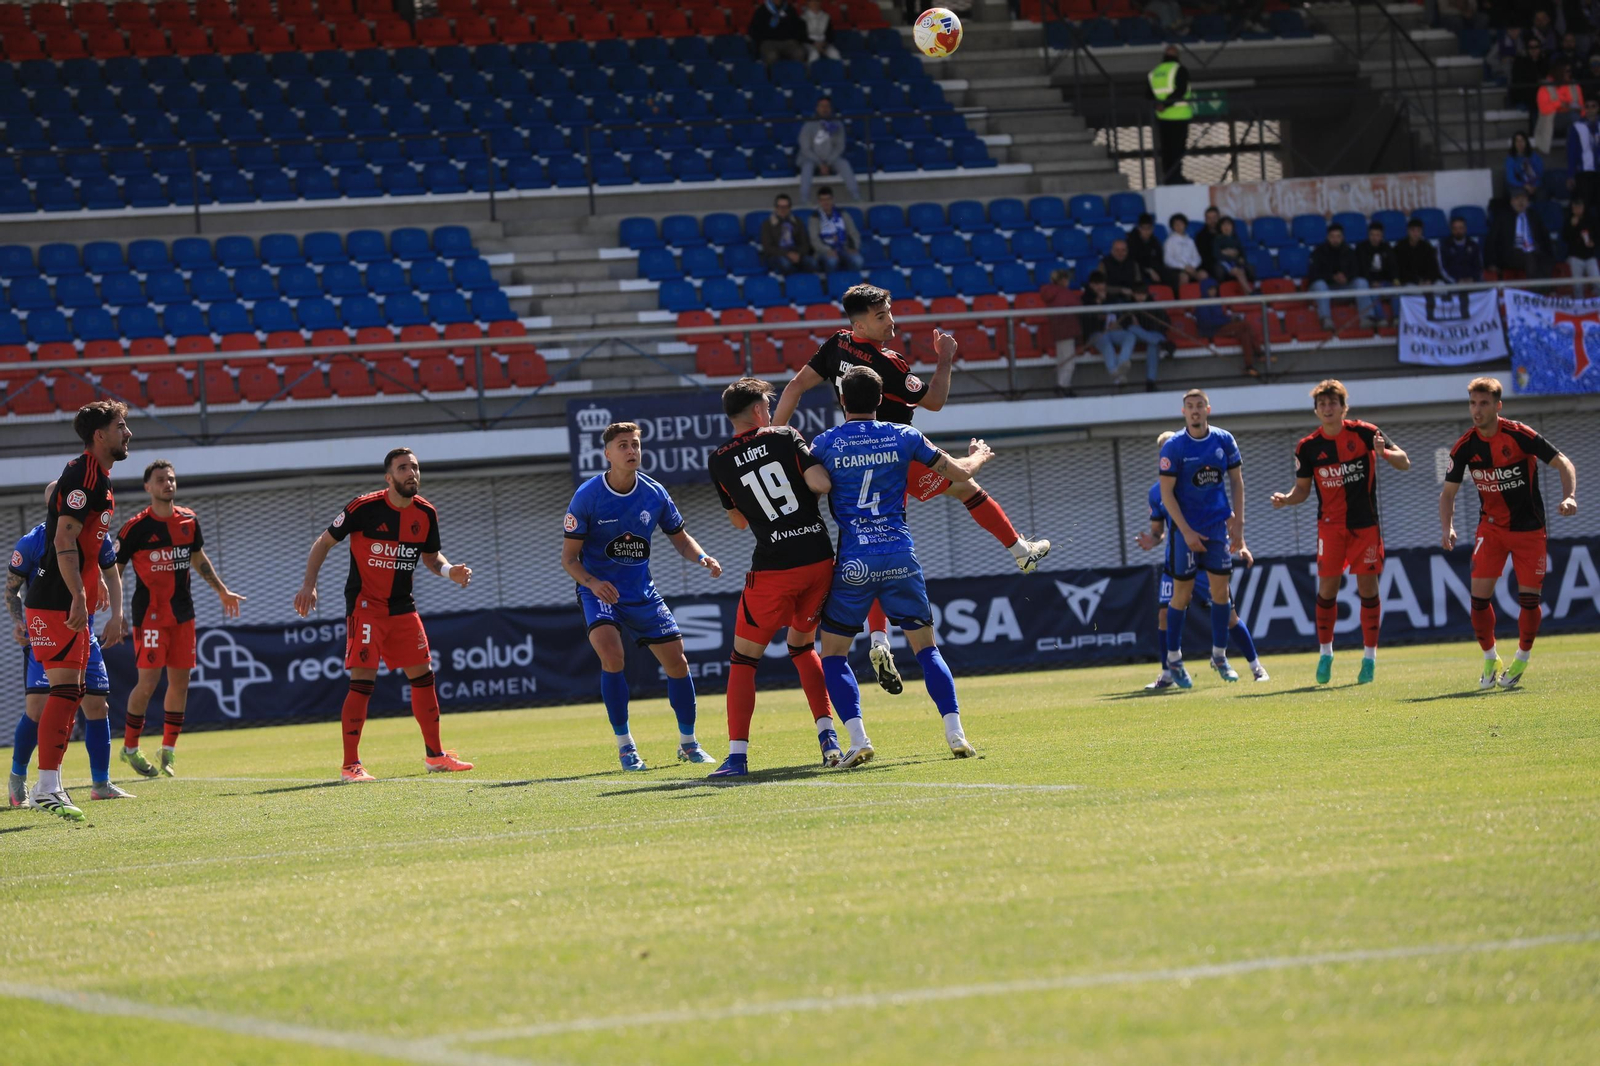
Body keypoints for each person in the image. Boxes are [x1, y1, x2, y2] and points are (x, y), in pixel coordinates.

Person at [773, 284, 1050, 694]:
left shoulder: (836, 345)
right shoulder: (888, 365)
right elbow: (934, 401)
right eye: (882, 315)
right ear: (859, 322)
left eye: (890, 312)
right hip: (894, 460)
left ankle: (879, 639)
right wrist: (946, 358)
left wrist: (776, 437)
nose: (892, 321)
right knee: (963, 487)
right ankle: (1020, 553)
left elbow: (794, 388)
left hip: (852, 460)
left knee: (867, 541)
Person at [809, 364, 991, 764]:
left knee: (834, 654)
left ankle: (858, 740)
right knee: (926, 648)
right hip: (899, 554)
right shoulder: (904, 435)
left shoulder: (825, 443)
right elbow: (960, 473)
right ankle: (956, 734)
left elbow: (807, 480)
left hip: (855, 559)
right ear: (879, 400)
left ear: (842, 400)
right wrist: (977, 456)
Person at [293, 448, 476, 781]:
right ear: (389, 477)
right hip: (365, 606)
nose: (411, 473)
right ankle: (351, 765)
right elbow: (323, 543)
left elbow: (432, 559)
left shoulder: (426, 514)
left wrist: (452, 572)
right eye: (403, 468)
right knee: (363, 681)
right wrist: (309, 585)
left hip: (402, 607)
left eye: (415, 467)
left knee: (424, 676)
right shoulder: (364, 507)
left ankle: (435, 755)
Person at [560, 423, 722, 771]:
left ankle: (689, 744)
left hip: (641, 592)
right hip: (600, 591)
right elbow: (569, 559)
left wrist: (702, 557)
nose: (631, 450)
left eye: (635, 444)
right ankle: (625, 746)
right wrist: (592, 583)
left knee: (677, 661)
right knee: (612, 654)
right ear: (607, 453)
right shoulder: (587, 496)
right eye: (623, 445)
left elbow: (680, 538)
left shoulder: (655, 493)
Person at [705, 378, 839, 777]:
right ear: (760, 411)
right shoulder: (785, 436)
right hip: (817, 559)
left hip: (773, 568)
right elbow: (822, 484)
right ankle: (829, 738)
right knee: (803, 647)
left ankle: (737, 758)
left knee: (744, 659)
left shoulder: (719, 459)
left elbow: (738, 521)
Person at [21, 400, 131, 821]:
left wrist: (94, 581)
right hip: (55, 602)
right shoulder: (84, 475)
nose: (128, 433)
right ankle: (45, 786)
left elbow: (82, 543)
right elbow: (64, 542)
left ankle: (48, 785)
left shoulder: (98, 477)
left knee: (73, 693)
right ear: (99, 435)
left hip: (65, 600)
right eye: (121, 425)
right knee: (65, 693)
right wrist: (79, 596)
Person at [1439, 377, 1578, 689]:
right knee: (1477, 601)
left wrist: (1569, 495)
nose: (1477, 409)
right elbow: (1447, 494)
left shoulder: (1519, 434)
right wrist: (1447, 527)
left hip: (1529, 531)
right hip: (1492, 530)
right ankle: (1490, 658)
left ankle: (1520, 660)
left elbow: (1563, 463)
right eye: (1473, 403)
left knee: (1529, 601)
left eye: (1484, 403)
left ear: (1498, 406)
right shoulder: (1464, 446)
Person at [1269, 381, 1410, 685]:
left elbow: (1405, 462)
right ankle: (1325, 654)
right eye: (1322, 404)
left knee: (1368, 591)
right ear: (1316, 410)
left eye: (1334, 403)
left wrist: (1383, 453)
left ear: (1344, 407)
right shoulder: (1307, 447)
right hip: (1330, 528)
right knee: (1327, 591)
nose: (1328, 408)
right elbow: (1303, 490)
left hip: (1365, 526)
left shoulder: (1364, 432)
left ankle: (1369, 659)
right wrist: (1286, 499)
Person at [114, 460, 245, 779]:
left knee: (181, 683)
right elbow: (114, 569)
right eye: (160, 480)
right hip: (150, 616)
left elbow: (198, 557)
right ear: (147, 487)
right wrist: (115, 612)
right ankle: (129, 747)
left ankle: (168, 750)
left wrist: (222, 591)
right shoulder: (135, 527)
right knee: (147, 684)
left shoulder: (189, 519)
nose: (167, 484)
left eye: (171, 479)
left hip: (183, 615)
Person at [1136, 430, 1267, 691]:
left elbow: (1227, 515)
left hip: (1208, 555)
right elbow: (1158, 530)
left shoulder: (1203, 484)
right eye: (1163, 450)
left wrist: (1242, 545)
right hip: (1177, 557)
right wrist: (1153, 539)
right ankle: (1168, 673)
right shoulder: (1157, 493)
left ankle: (1255, 666)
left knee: (1228, 614)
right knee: (1165, 614)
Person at [1156, 389, 1251, 688]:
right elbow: (1166, 493)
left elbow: (1236, 481)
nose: (1195, 411)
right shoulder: (1174, 447)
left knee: (1221, 593)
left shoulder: (1224, 440)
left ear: (1208, 409)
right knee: (1181, 595)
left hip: (1215, 529)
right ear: (1183, 412)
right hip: (1185, 531)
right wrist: (1185, 530)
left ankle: (1219, 656)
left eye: (1199, 406)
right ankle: (1174, 659)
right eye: (1189, 407)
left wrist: (1239, 525)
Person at [1307, 222, 1375, 330]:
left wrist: (1346, 277)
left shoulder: (1349, 251)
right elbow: (1313, 274)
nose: (1335, 239)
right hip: (1326, 288)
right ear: (1327, 237)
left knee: (1361, 282)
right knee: (1320, 284)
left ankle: (1367, 318)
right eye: (1332, 236)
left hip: (1344, 286)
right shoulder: (1318, 252)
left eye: (1338, 236)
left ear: (1342, 237)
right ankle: (1326, 319)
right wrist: (1332, 277)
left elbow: (1357, 270)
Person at [796, 97, 860, 204]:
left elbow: (840, 147)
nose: (825, 109)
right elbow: (805, 148)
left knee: (844, 164)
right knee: (807, 166)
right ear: (817, 108)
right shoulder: (808, 125)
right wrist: (820, 163)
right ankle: (804, 200)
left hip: (831, 158)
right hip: (810, 158)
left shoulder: (837, 125)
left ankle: (856, 197)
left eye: (827, 106)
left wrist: (828, 162)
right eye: (822, 106)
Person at [1147, 44, 1192, 184]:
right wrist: (1166, 104)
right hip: (1179, 115)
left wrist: (1159, 105)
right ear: (1177, 56)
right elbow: (1181, 91)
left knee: (1166, 149)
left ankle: (1167, 177)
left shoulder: (1154, 73)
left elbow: (1148, 94)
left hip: (1162, 117)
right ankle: (1176, 177)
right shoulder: (1179, 69)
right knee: (1178, 149)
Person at [1038, 267, 1084, 394]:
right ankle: (1063, 386)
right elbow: (1078, 306)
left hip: (1057, 330)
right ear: (1064, 280)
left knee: (1062, 360)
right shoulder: (1064, 293)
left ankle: (1063, 384)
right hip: (1067, 329)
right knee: (1069, 360)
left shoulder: (1050, 293)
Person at [1488, 188, 1553, 278]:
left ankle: (1547, 290)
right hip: (1511, 253)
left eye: (1524, 199)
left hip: (1533, 250)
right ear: (1512, 201)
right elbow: (1492, 239)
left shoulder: (1534, 216)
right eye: (1517, 199)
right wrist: (1491, 262)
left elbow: (1544, 236)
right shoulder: (1503, 217)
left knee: (1545, 259)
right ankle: (1534, 290)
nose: (1521, 202)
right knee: (1529, 257)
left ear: (1528, 202)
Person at [807, 186, 864, 272]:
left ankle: (851, 282)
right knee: (832, 261)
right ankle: (832, 283)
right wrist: (828, 250)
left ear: (832, 199)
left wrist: (854, 247)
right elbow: (814, 239)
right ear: (819, 201)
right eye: (822, 200)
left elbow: (853, 232)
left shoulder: (843, 214)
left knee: (858, 260)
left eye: (828, 199)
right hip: (824, 251)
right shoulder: (814, 217)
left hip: (844, 248)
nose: (826, 202)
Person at [1534, 62, 1583, 154]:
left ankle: (1572, 151)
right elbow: (1544, 109)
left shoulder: (1574, 85)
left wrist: (1577, 108)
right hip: (1552, 119)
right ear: (1559, 71)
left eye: (1570, 71)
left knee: (1575, 120)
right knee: (1574, 118)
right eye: (1567, 71)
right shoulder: (1545, 87)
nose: (1570, 73)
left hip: (1571, 116)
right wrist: (1560, 104)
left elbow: (1581, 105)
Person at [760, 193, 815, 275]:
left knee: (812, 263)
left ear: (790, 208)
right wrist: (787, 254)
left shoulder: (797, 222)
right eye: (780, 207)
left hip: (797, 253)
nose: (782, 210)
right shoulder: (767, 224)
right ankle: (793, 284)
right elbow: (768, 247)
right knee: (785, 264)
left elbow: (805, 243)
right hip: (777, 255)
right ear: (775, 208)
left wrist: (798, 254)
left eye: (785, 207)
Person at [1357, 221, 1397, 326]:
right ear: (1368, 235)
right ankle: (1380, 319)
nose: (1375, 238)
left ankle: (1397, 318)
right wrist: (1371, 282)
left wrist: (1395, 281)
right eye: (1372, 235)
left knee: (1397, 290)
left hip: (1385, 282)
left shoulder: (1387, 248)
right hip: (1370, 283)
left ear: (1382, 236)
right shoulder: (1361, 248)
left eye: (1378, 235)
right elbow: (1361, 269)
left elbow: (1393, 267)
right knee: (1374, 292)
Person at [748, 0, 808, 65]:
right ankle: (769, 74)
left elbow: (798, 27)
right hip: (768, 42)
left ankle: (795, 74)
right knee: (771, 56)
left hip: (788, 41)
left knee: (799, 53)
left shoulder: (789, 9)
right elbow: (754, 30)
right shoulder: (762, 10)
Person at [1566, 97, 1600, 207]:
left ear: (1598, 108)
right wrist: (1571, 175)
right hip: (1583, 172)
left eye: (1593, 106)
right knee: (1586, 205)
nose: (1590, 109)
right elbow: (1571, 152)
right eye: (1587, 106)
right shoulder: (1577, 126)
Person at [1564, 197, 1600, 295]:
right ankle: (1579, 305)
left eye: (1579, 207)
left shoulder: (1591, 220)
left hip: (1590, 256)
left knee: (1598, 282)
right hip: (1575, 256)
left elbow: (1597, 236)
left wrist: (1593, 243)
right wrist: (1572, 227)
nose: (1577, 209)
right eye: (1575, 207)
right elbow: (1565, 238)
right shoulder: (1568, 221)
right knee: (1577, 285)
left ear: (1583, 207)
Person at [1207, 215, 1252, 290]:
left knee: (1241, 271)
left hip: (1235, 263)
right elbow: (1217, 255)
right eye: (1223, 225)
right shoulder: (1217, 240)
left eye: (1228, 224)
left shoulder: (1236, 239)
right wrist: (1233, 257)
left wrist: (1228, 253)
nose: (1226, 227)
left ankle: (1248, 292)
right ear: (1220, 227)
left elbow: (1242, 253)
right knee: (1238, 271)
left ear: (1232, 227)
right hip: (1224, 263)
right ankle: (1249, 292)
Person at [1162, 212, 1206, 287]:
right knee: (1184, 277)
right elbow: (1168, 260)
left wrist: (1192, 266)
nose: (1179, 226)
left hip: (1192, 268)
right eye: (1176, 224)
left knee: (1203, 275)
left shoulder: (1190, 241)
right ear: (1172, 227)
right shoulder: (1169, 241)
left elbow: (1197, 257)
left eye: (1181, 224)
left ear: (1185, 225)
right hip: (1176, 269)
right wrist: (1184, 267)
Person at [1394, 218, 1444, 285]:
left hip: (1427, 281)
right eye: (1413, 230)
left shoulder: (1427, 246)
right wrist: (1417, 281)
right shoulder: (1400, 247)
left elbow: (1433, 267)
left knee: (1441, 286)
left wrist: (1429, 279)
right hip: (1409, 282)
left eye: (1418, 231)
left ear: (1422, 232)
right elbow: (1400, 270)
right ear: (1408, 231)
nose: (1415, 233)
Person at [1125, 214, 1167, 287]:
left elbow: (1159, 259)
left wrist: (1155, 270)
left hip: (1152, 267)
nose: (1146, 231)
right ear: (1139, 228)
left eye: (1149, 228)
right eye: (1144, 229)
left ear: (1152, 229)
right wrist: (1148, 270)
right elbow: (1132, 260)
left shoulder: (1155, 241)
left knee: (1168, 275)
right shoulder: (1131, 241)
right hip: (1138, 269)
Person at [1440, 215, 1485, 283]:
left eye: (1461, 228)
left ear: (1465, 229)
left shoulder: (1474, 245)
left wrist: (1473, 279)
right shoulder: (1443, 246)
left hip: (1473, 283)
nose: (1458, 231)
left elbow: (1479, 267)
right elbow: (1442, 269)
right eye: (1455, 228)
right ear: (1451, 230)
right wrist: (1456, 281)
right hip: (1453, 284)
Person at [1504, 132, 1543, 199]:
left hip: (1534, 184)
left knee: (1542, 193)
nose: (1520, 143)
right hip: (1518, 185)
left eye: (1522, 140)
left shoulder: (1533, 156)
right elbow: (1510, 178)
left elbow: (1540, 172)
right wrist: (1524, 185)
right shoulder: (1511, 158)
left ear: (1526, 142)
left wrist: (1535, 186)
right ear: (1514, 143)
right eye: (1517, 141)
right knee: (1520, 195)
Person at [1193, 205, 1222, 271]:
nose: (1212, 221)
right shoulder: (1200, 236)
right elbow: (1203, 257)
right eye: (1209, 218)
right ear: (1205, 220)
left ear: (1219, 218)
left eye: (1214, 218)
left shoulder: (1226, 232)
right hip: (1211, 265)